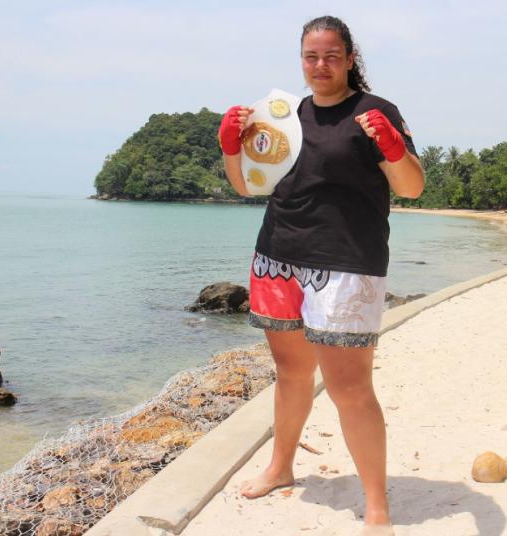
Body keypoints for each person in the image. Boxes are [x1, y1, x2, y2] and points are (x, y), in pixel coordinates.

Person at [218, 15, 424, 536]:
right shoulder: (284, 115)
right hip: (277, 257)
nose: (321, 65)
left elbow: (413, 187)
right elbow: (248, 187)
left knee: (349, 388)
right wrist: (230, 148)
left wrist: (393, 147)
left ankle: (375, 503)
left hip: (348, 263)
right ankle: (280, 467)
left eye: (332, 55)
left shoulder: (375, 111)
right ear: (301, 60)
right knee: (289, 374)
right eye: (311, 56)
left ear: (351, 58)